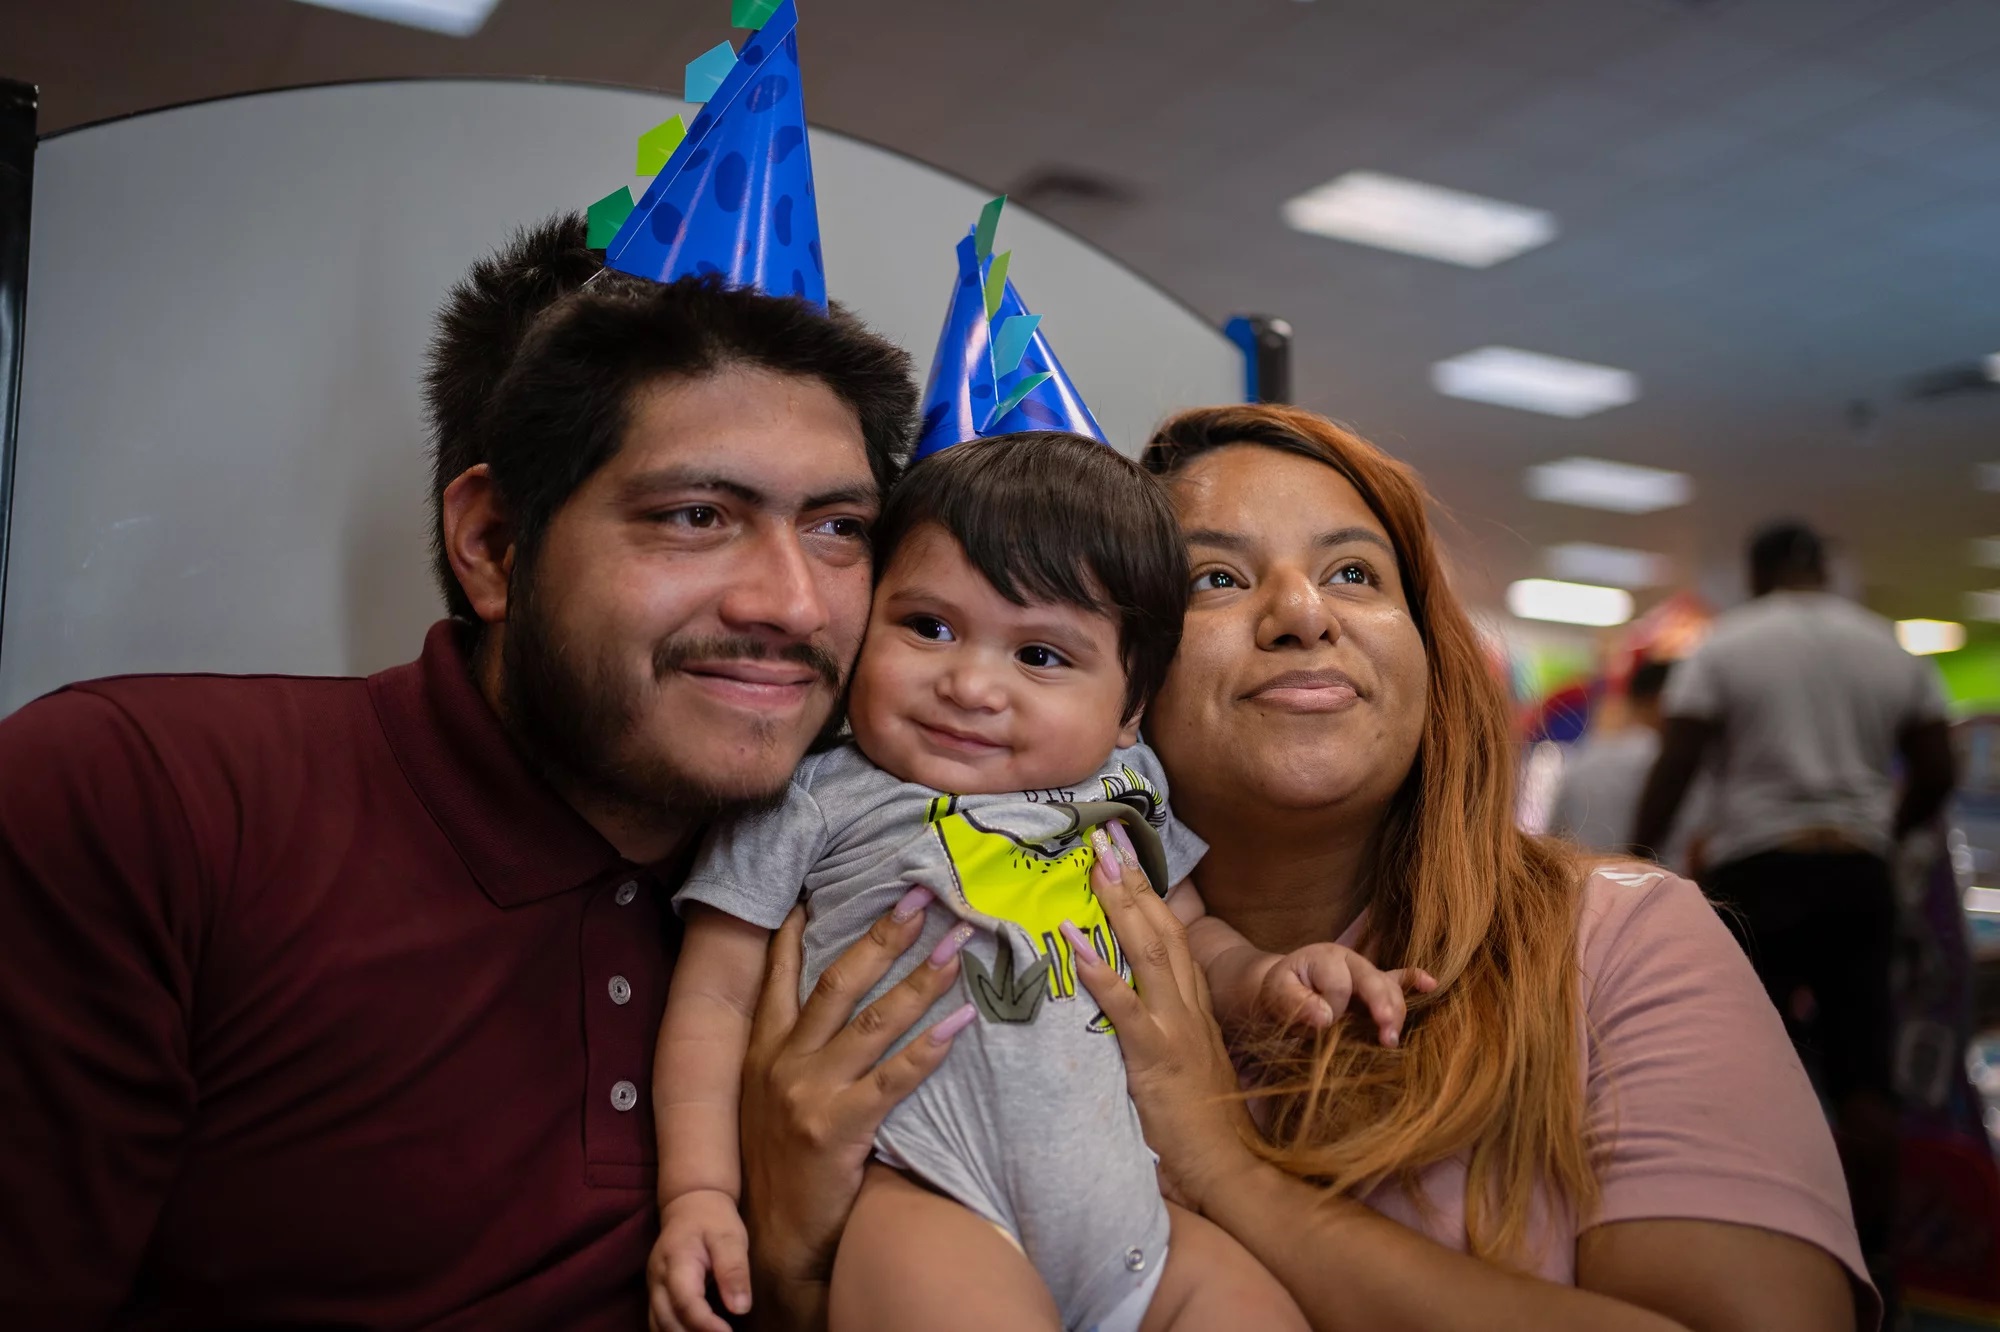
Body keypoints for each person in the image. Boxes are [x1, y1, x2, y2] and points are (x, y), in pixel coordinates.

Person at [0, 217, 967, 1330]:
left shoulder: (881, 875)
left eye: (839, 528)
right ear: (496, 545)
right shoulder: (147, 798)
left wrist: (793, 1263)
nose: (793, 605)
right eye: (696, 517)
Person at [1050, 404, 1877, 1331]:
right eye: (1214, 578)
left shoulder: (1614, 943)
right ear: (1114, 669)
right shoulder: (1040, 958)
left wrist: (1228, 1174)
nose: (1301, 613)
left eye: (1353, 572)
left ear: (1431, 655)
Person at [649, 432, 1426, 1332]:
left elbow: (1186, 940)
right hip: (925, 1196)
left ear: (1131, 709)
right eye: (929, 627)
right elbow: (712, 1002)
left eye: (1041, 657)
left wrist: (1268, 980)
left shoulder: (1127, 789)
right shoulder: (814, 795)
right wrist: (700, 1193)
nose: (972, 685)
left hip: (1136, 1214)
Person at [1631, 519, 1957, 1290]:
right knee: (1866, 1086)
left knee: (1742, 1068)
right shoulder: (1890, 648)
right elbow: (1939, 768)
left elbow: (1676, 765)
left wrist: (1635, 861)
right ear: (1825, 568)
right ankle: (1874, 1262)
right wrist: (1882, 828)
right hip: (1857, 876)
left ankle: (1753, 1249)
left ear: (1756, 572)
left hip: (1757, 874)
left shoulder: (1727, 645)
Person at [1548, 658, 1705, 870]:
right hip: (1660, 891)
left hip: (1585, 887)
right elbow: (1697, 847)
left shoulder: (1585, 761)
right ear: (1664, 700)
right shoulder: (1683, 771)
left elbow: (1553, 838)